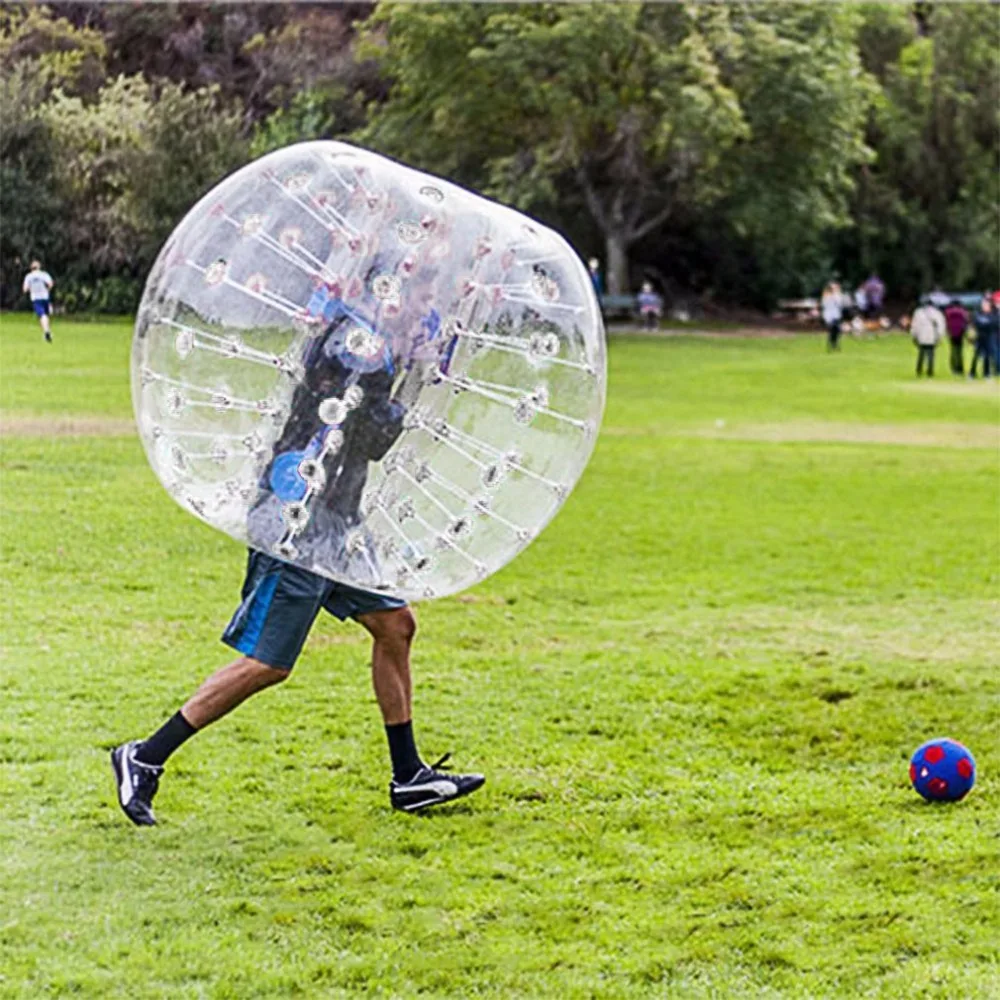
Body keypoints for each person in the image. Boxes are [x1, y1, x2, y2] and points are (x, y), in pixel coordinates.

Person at [111, 299, 485, 826]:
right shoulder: (356, 346)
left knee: (396, 625)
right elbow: (374, 434)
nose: (430, 318)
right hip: (297, 519)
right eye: (424, 304)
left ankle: (408, 777)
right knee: (269, 663)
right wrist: (414, 375)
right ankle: (144, 757)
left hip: (336, 523)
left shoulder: (376, 346)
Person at [910, 300, 945, 377]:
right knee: (931, 354)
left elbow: (915, 325)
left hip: (921, 336)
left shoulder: (918, 313)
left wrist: (914, 335)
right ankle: (930, 371)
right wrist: (940, 336)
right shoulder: (937, 313)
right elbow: (940, 326)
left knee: (921, 354)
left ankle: (919, 370)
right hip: (932, 337)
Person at [22, 260, 54, 342]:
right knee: (45, 315)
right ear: (39, 267)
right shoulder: (44, 274)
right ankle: (47, 332)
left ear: (31, 268)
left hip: (36, 298)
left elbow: (25, 289)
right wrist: (47, 290)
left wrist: (31, 289)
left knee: (42, 315)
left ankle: (46, 331)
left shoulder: (29, 276)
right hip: (45, 297)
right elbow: (50, 284)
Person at [970, 295, 998, 379]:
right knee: (976, 356)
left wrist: (983, 323)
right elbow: (976, 323)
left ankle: (987, 374)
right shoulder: (978, 314)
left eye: (986, 305)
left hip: (989, 337)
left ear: (989, 306)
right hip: (979, 337)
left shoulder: (993, 315)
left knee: (987, 356)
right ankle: (972, 373)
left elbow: (993, 325)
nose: (984, 306)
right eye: (983, 305)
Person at [943, 298, 969, 376]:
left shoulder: (947, 312)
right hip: (960, 333)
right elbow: (966, 322)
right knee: (959, 351)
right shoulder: (963, 312)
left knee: (953, 351)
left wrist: (948, 331)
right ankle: (960, 368)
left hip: (952, 333)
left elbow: (946, 322)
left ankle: (953, 368)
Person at [821, 281, 845, 350]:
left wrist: (835, 296)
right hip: (828, 315)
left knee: (837, 330)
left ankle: (834, 343)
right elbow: (824, 305)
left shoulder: (838, 295)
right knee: (832, 329)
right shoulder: (826, 295)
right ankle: (831, 343)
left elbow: (840, 304)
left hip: (836, 315)